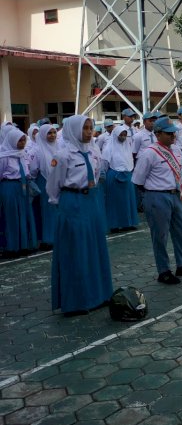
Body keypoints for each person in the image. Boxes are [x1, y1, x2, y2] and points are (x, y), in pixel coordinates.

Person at [46, 115, 112, 316]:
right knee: (76, 250)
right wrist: (64, 207)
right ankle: (77, 301)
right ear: (73, 130)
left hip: (91, 201)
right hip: (72, 202)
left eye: (90, 127)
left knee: (94, 247)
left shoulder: (93, 151)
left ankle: (99, 295)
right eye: (84, 128)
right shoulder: (63, 155)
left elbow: (98, 172)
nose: (89, 132)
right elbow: (53, 186)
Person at [132, 117, 182, 285]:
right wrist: (152, 195)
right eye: (168, 134)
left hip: (176, 195)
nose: (173, 136)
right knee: (160, 235)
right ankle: (163, 270)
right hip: (157, 196)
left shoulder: (177, 151)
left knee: (181, 231)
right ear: (157, 134)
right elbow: (138, 181)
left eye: (173, 133)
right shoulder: (149, 153)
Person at [0, 128, 38, 256]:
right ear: (11, 140)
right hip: (9, 187)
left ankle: (24, 244)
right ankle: (12, 246)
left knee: (24, 214)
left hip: (22, 187)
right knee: (11, 216)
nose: (22, 143)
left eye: (23, 140)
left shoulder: (22, 154)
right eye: (19, 141)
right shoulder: (4, 156)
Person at [102, 125, 139, 233]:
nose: (123, 137)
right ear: (115, 135)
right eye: (121, 135)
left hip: (127, 176)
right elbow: (104, 164)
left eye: (124, 135)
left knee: (128, 201)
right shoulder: (109, 148)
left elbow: (130, 161)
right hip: (114, 177)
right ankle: (115, 224)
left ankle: (128, 223)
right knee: (115, 202)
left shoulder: (128, 146)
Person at [29, 124, 59, 249]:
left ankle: (58, 237)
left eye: (54, 132)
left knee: (57, 211)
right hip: (44, 182)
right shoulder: (37, 150)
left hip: (58, 183)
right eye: (49, 133)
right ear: (42, 135)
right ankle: (47, 239)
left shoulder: (58, 147)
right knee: (47, 212)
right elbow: (33, 170)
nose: (52, 135)